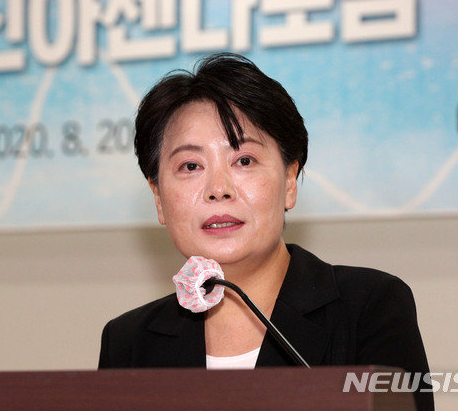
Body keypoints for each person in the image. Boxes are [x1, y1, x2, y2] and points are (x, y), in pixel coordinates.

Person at [98, 53, 433, 411]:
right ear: (159, 198)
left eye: (244, 160)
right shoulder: (128, 342)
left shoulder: (369, 308)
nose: (218, 189)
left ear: (289, 181)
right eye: (191, 166)